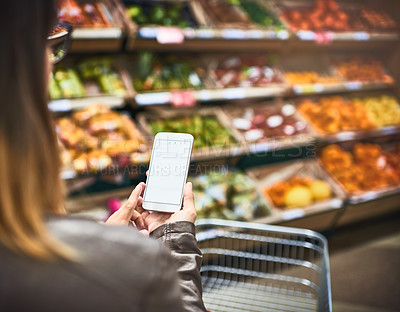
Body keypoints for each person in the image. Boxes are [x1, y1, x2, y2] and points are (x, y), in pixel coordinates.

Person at [0, 1, 206, 311]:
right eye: (44, 41)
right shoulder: (133, 264)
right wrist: (172, 241)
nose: (52, 61)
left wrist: (103, 240)